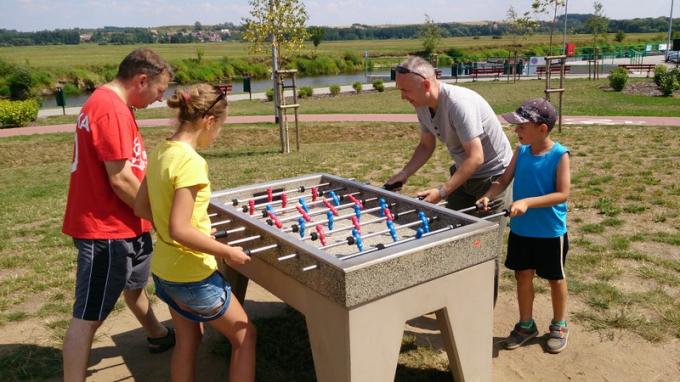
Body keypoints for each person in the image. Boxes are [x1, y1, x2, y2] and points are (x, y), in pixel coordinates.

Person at [61, 48, 174, 381]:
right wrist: (160, 215)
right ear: (141, 80)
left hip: (127, 225)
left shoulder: (110, 104)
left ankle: (157, 335)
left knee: (135, 287)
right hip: (106, 231)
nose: (159, 98)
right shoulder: (110, 109)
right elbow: (121, 178)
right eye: (158, 90)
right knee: (88, 316)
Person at [134, 84, 256, 381]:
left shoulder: (162, 150)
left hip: (164, 271)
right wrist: (227, 251)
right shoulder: (191, 162)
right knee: (245, 336)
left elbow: (140, 206)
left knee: (189, 340)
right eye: (220, 128)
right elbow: (180, 228)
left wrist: (189, 228)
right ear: (208, 121)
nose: (217, 136)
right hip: (192, 275)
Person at [385, 56, 513, 303]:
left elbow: (476, 158)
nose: (403, 97)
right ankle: (456, 300)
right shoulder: (422, 104)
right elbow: (426, 145)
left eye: (405, 90)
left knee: (483, 248)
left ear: (425, 84)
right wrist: (404, 173)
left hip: (493, 178)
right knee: (452, 237)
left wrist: (442, 192)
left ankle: (482, 310)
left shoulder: (458, 103)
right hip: (462, 174)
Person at [476, 98, 571, 354]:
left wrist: (527, 202)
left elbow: (562, 194)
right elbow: (503, 180)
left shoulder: (560, 155)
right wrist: (489, 194)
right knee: (523, 276)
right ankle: (526, 324)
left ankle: (559, 325)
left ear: (542, 128)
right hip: (521, 230)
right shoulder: (521, 152)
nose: (516, 131)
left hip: (550, 232)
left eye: (521, 127)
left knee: (555, 278)